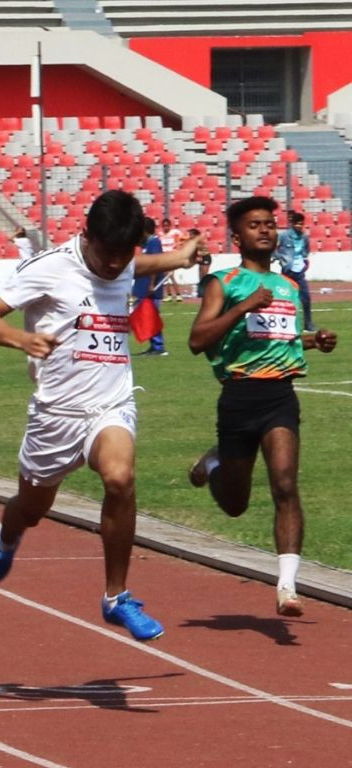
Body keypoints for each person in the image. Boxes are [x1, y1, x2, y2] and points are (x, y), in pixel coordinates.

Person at [0, 190, 205, 642]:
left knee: (120, 477)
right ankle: (8, 534)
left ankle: (117, 597)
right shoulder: (49, 268)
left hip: (110, 404)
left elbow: (141, 266)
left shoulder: (123, 259)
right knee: (32, 508)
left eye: (124, 255)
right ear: (85, 235)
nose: (115, 266)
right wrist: (21, 340)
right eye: (107, 254)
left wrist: (180, 256)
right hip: (56, 413)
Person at [186, 196, 337, 618]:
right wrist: (243, 306)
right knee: (236, 504)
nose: (266, 230)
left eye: (270, 223)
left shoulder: (287, 285)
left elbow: (279, 336)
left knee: (285, 485)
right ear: (237, 237)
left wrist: (313, 340)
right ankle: (214, 464)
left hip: (280, 397)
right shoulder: (224, 282)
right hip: (238, 397)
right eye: (255, 225)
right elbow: (198, 341)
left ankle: (287, 586)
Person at [131, 218, 167, 356]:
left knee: (151, 316)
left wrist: (152, 284)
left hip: (150, 288)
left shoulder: (154, 242)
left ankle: (158, 347)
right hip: (142, 286)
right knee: (145, 316)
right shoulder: (146, 244)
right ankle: (153, 345)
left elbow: (155, 265)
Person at [274, 210, 314, 331]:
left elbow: (306, 250)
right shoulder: (284, 235)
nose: (299, 226)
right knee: (286, 298)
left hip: (299, 271)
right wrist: (280, 259)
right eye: (297, 224)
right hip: (287, 271)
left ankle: (308, 324)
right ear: (292, 224)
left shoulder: (304, 237)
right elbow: (273, 248)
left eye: (301, 224)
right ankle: (283, 324)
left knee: (306, 298)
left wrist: (304, 260)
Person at [160, 218, 187, 302]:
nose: (165, 227)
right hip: (163, 257)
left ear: (170, 226)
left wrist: (178, 247)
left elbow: (184, 239)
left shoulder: (175, 233)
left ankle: (178, 294)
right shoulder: (160, 235)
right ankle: (169, 295)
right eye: (164, 226)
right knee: (165, 277)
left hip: (171, 257)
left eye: (167, 225)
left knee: (170, 275)